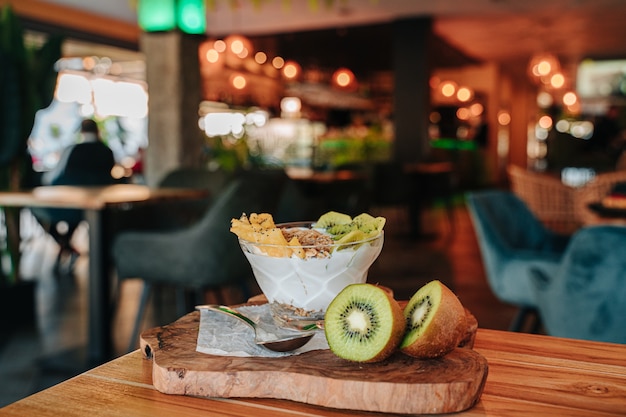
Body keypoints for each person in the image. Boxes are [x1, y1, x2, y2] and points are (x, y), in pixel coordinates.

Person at [34, 119, 117, 275]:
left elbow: (51, 178)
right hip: (97, 210)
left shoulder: (72, 150)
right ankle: (66, 245)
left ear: (81, 132)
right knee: (77, 215)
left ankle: (64, 245)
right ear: (97, 131)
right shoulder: (108, 152)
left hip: (67, 208)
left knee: (35, 208)